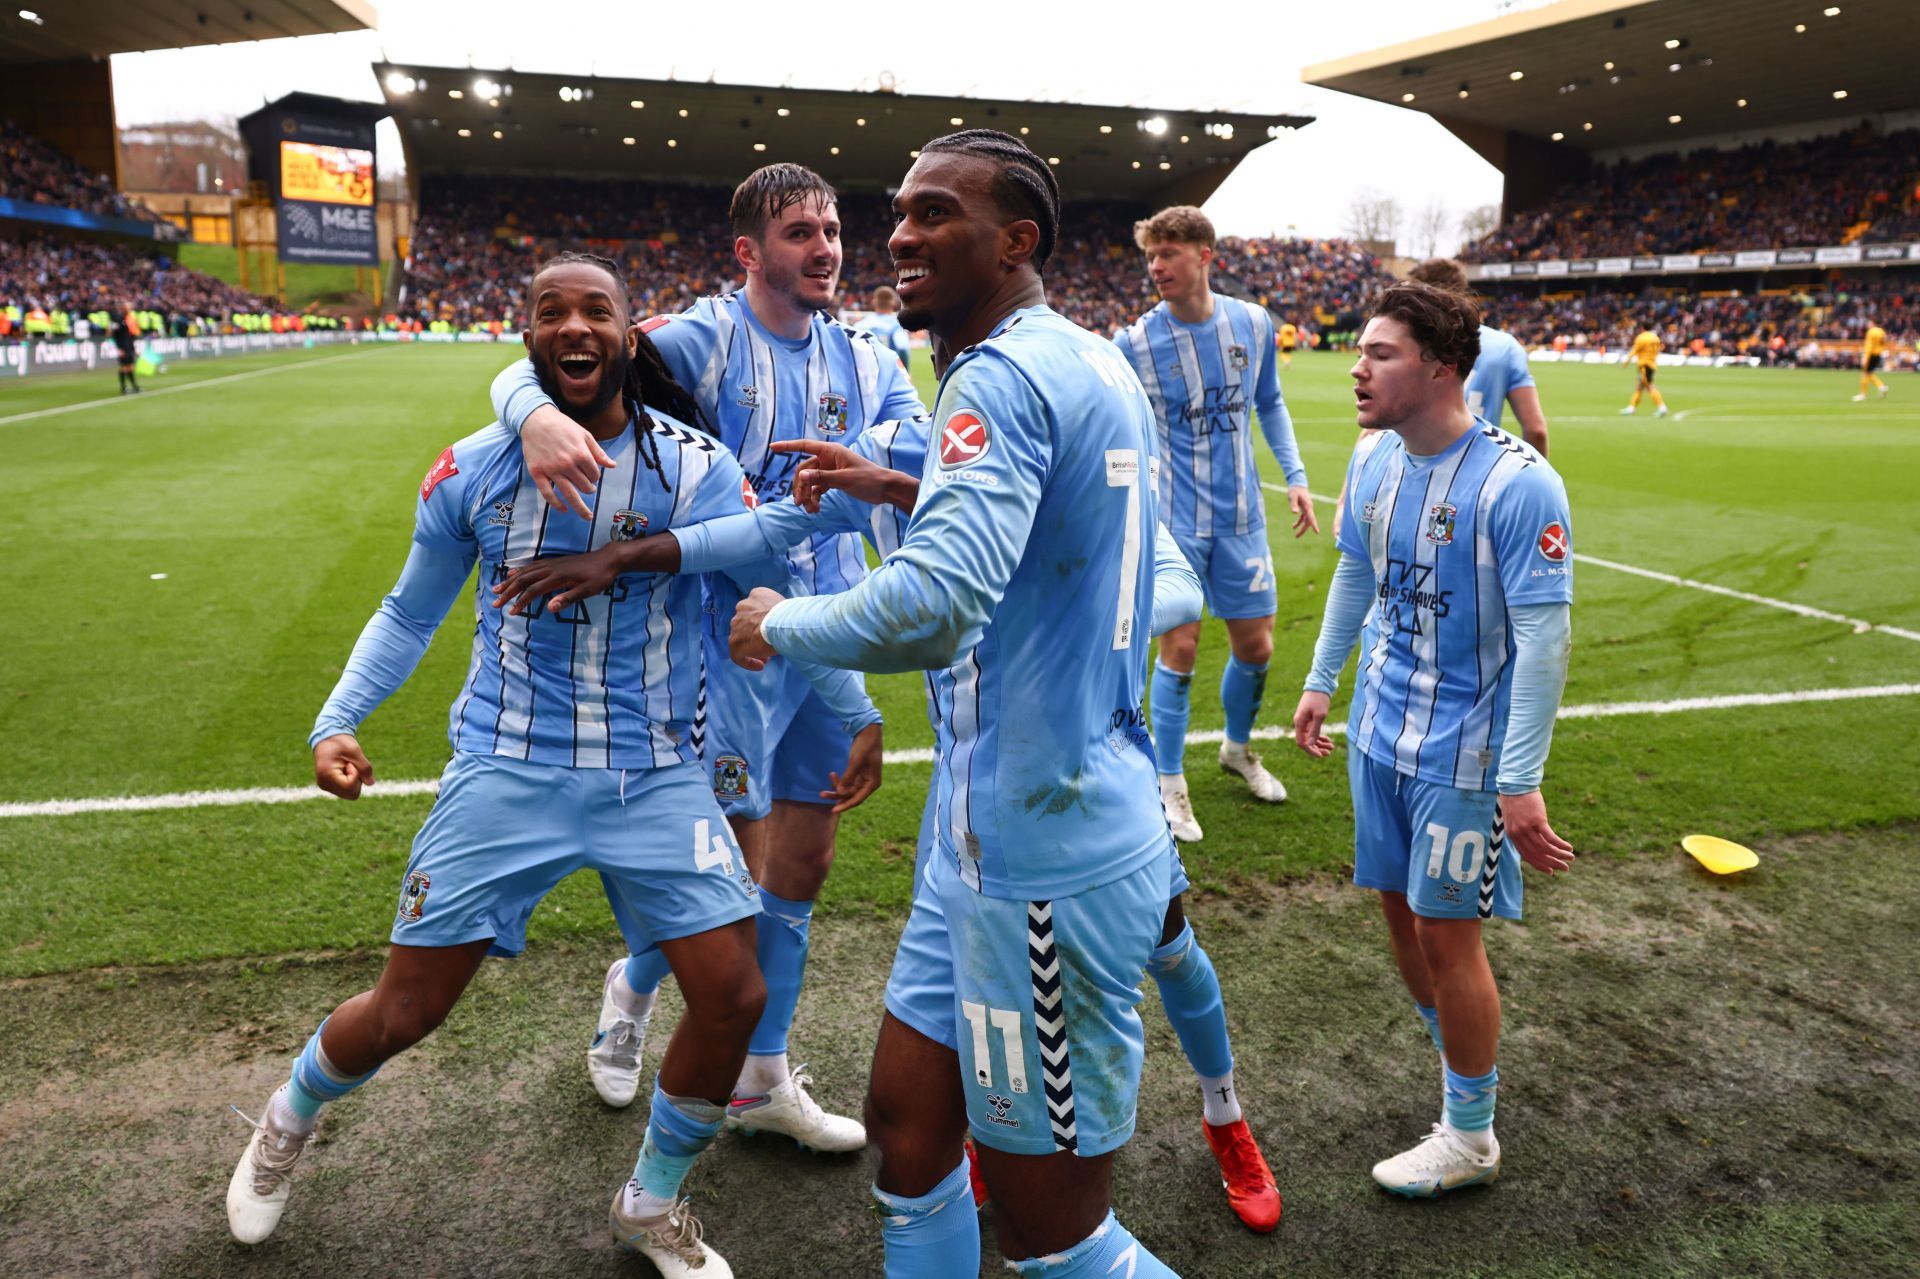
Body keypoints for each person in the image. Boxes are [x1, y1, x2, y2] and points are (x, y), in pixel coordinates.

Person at [225, 253, 880, 1278]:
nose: (575, 328)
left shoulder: (694, 466)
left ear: (630, 332)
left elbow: (770, 586)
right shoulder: (475, 467)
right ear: (527, 335)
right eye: (551, 312)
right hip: (506, 769)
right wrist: (336, 719)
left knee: (734, 994)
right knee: (407, 1011)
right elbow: (409, 610)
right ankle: (286, 1117)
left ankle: (652, 1199)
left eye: (596, 311)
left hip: (659, 775)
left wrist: (858, 710)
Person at [495, 416, 1283, 1235]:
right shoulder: (897, 447)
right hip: (968, 793)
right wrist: (622, 553)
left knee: (1172, 947)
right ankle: (979, 1139)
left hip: (1090, 785)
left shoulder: (1046, 443)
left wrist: (1042, 594)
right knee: (958, 1010)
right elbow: (761, 528)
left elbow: (1176, 584)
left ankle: (1224, 1112)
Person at [722, 129, 1181, 1276]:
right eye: (902, 212)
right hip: (985, 841)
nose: (901, 235)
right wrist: (897, 481)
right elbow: (1051, 513)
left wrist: (775, 621)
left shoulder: (997, 374)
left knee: (1051, 1230)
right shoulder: (1087, 355)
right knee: (911, 1134)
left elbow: (934, 606)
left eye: (938, 215)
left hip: (1040, 856)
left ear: (1017, 241)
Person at [487, 164, 925, 1148]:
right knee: (726, 877)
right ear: (748, 252)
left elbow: (924, 454)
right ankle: (633, 988)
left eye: (832, 229)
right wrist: (538, 415)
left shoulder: (866, 357)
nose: (826, 249)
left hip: (822, 629)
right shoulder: (702, 339)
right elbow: (553, 357)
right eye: (801, 232)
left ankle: (762, 1081)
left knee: (802, 869)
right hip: (714, 649)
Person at [1291, 280, 1577, 1199]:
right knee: (1398, 910)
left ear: (1444, 368)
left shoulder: (1517, 481)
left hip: (1463, 753)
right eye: (1363, 350)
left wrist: (1520, 777)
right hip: (1379, 729)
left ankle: (1471, 1131)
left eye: (1381, 353)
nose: (1358, 367)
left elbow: (1545, 639)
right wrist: (1319, 679)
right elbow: (1355, 577)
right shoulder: (1374, 459)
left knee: (1451, 935)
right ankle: (1458, 1055)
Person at [1113, 205, 1318, 845]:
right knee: (1180, 646)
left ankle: (1236, 750)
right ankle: (1169, 784)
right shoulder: (1136, 343)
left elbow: (1269, 403)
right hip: (1173, 522)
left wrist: (1298, 477)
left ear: (1205, 256)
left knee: (1256, 647)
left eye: (1169, 253)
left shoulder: (1252, 323)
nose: (1157, 266)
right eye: (1151, 255)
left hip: (1242, 518)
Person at [1407, 259, 1549, 456]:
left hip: (1418, 468)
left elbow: (1374, 431)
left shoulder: (1409, 343)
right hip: (1481, 472)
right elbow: (1536, 430)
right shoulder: (1505, 347)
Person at [858, 284, 915, 367]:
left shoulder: (861, 324)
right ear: (894, 303)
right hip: (888, 371)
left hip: (865, 372)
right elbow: (903, 348)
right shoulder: (896, 325)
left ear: (874, 302)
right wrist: (905, 371)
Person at [1620, 325, 1670, 416]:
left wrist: (1626, 362)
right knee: (1639, 387)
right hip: (1652, 364)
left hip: (1644, 365)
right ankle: (1631, 408)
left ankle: (1662, 408)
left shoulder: (1642, 338)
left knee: (1649, 386)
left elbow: (1634, 350)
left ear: (1642, 328)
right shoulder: (1655, 338)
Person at [1855, 321, 1890, 401]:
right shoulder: (1882, 332)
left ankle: (1863, 394)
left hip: (1871, 355)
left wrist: (1865, 357)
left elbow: (1869, 346)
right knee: (1868, 373)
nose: (1868, 324)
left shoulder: (1871, 332)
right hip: (1878, 355)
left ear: (1873, 323)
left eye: (1869, 323)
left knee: (1865, 373)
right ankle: (1881, 386)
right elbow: (1884, 342)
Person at [112, 303, 140, 395]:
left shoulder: (128, 319)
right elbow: (115, 335)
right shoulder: (118, 319)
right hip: (123, 346)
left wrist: (133, 348)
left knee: (130, 367)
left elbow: (129, 335)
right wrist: (119, 348)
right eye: (128, 308)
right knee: (124, 367)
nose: (130, 309)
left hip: (128, 345)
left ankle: (134, 386)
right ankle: (124, 388)